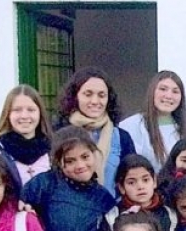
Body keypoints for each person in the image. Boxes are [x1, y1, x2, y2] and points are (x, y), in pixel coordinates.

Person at [57, 66, 136, 196]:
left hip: (112, 211)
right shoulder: (59, 134)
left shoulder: (122, 137)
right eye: (88, 94)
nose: (95, 101)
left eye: (101, 95)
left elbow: (131, 178)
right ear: (75, 96)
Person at [119, 71, 186, 173]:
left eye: (175, 91)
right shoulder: (131, 125)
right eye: (163, 89)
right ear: (152, 91)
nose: (169, 96)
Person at [107, 155, 179, 231]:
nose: (140, 186)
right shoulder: (112, 217)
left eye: (145, 180)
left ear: (154, 181)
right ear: (121, 187)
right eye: (131, 183)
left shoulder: (170, 216)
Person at [0, 85, 54, 193]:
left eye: (31, 110)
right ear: (7, 114)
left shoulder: (54, 149)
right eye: (17, 110)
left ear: (40, 113)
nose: (24, 116)